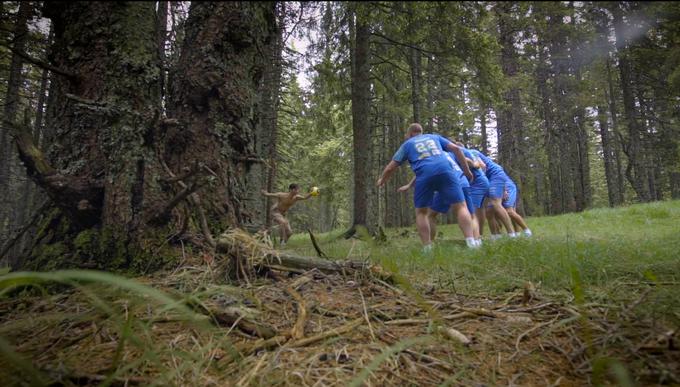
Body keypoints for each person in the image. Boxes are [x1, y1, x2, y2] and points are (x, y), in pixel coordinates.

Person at [376, 123, 476, 251]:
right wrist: (467, 171)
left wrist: (382, 180)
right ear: (421, 132)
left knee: (422, 212)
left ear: (410, 133)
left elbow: (391, 167)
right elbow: (456, 149)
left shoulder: (407, 144)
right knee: (461, 206)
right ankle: (471, 243)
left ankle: (427, 248)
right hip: (446, 171)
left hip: (424, 175)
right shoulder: (434, 137)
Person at [468, 149, 517, 239]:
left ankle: (512, 234)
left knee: (495, 204)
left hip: (495, 175)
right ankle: (489, 235)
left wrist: (503, 189)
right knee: (485, 209)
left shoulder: (471, 152)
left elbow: (483, 166)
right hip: (487, 179)